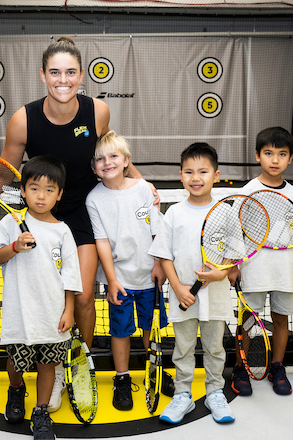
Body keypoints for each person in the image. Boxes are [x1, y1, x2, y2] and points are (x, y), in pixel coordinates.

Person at [0, 36, 155, 412]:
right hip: (38, 214)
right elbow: (3, 174)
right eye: (55, 72)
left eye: (70, 72)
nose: (62, 80)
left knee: (83, 296)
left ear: (81, 75)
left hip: (83, 212)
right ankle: (40, 374)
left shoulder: (98, 111)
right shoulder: (22, 119)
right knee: (47, 298)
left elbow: (110, 153)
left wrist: (140, 179)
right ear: (43, 75)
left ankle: (76, 366)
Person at [0, 155, 81, 440]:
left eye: (49, 190)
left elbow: (71, 278)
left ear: (59, 195)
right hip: (20, 314)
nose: (41, 196)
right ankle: (16, 391)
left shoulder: (63, 231)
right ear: (23, 190)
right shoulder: (10, 223)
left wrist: (69, 311)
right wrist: (14, 246)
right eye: (35, 188)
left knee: (47, 365)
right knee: (16, 363)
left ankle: (40, 412)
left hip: (52, 315)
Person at [148, 143, 235, 424]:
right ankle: (183, 395)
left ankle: (214, 392)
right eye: (189, 172)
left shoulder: (226, 212)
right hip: (182, 296)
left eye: (203, 171)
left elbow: (233, 256)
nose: (196, 177)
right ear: (181, 176)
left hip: (217, 297)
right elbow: (164, 256)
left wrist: (221, 274)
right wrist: (178, 288)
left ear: (216, 175)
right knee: (183, 348)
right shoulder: (174, 213)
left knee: (215, 348)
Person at [85, 131, 172, 410]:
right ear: (93, 166)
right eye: (100, 159)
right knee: (120, 332)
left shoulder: (143, 189)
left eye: (113, 156)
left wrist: (159, 264)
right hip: (120, 280)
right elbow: (101, 242)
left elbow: (156, 230)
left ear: (126, 161)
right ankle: (122, 378)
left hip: (150, 276)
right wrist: (111, 280)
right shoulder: (93, 199)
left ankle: (155, 369)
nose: (107, 162)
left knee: (150, 328)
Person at [231, 127, 293, 396]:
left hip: (284, 268)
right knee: (248, 322)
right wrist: (234, 265)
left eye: (282, 154)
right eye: (268, 153)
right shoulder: (248, 191)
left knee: (281, 320)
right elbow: (235, 229)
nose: (275, 160)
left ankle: (277, 367)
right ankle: (241, 368)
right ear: (257, 155)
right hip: (253, 267)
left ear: (290, 158)